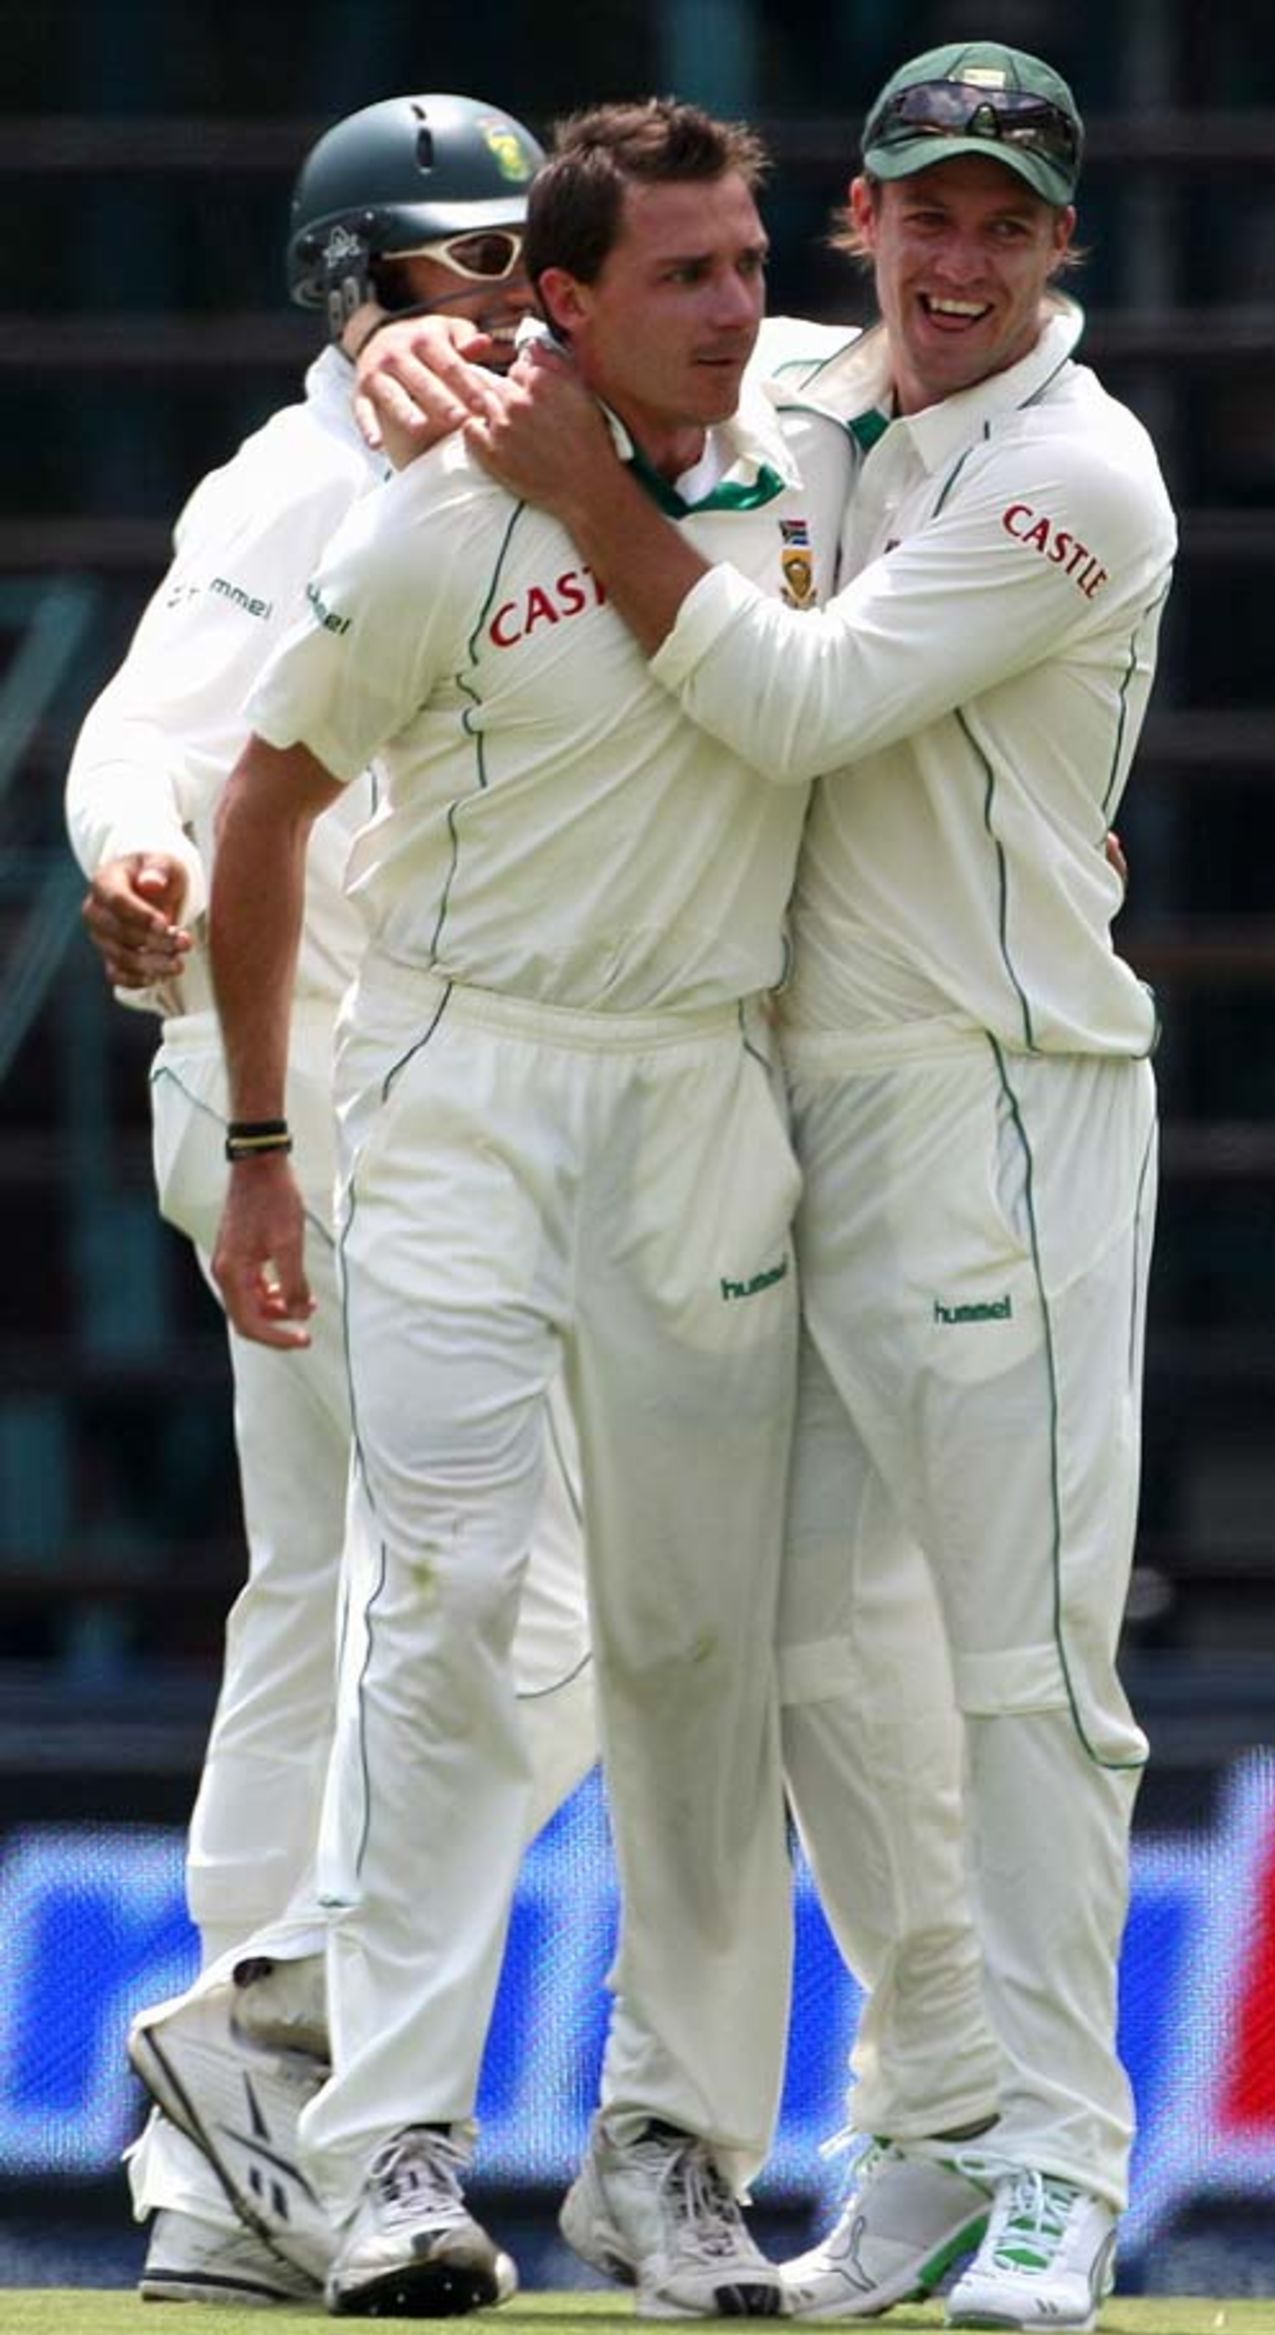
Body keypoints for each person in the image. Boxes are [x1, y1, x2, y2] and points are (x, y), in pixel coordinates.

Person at [462, 42, 1176, 2334]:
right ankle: (939, 2128)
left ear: (1060, 245)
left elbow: (790, 703)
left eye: (1004, 224)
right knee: (814, 1662)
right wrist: (404, 355)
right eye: (923, 213)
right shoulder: (793, 374)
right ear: (861, 217)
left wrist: (589, 502)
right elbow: (566, 328)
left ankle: (1061, 2166)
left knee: (1026, 1670)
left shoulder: (1077, 471)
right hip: (787, 1111)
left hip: (998, 1105)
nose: (958, 261)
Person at [207, 98, 858, 2320]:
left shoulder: (811, 460)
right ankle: (390, 2153)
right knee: (448, 1602)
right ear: (561, 301)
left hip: (706, 1090)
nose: (734, 311)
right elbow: (266, 809)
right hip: (464, 1081)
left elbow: (950, 345)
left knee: (696, 1644)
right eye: (683, 276)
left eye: (749, 267)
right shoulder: (437, 515)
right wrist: (263, 1145)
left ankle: (672, 2161)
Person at [65, 92, 599, 2311]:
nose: (510, 299)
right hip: (299, 1081)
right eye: (465, 262)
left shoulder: (568, 452)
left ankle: (230, 2132)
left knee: (357, 1594)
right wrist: (136, 853)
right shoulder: (294, 481)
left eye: (529, 258)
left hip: (445, 1090)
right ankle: (294, 2024)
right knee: (482, 1589)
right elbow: (144, 727)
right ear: (350, 284)